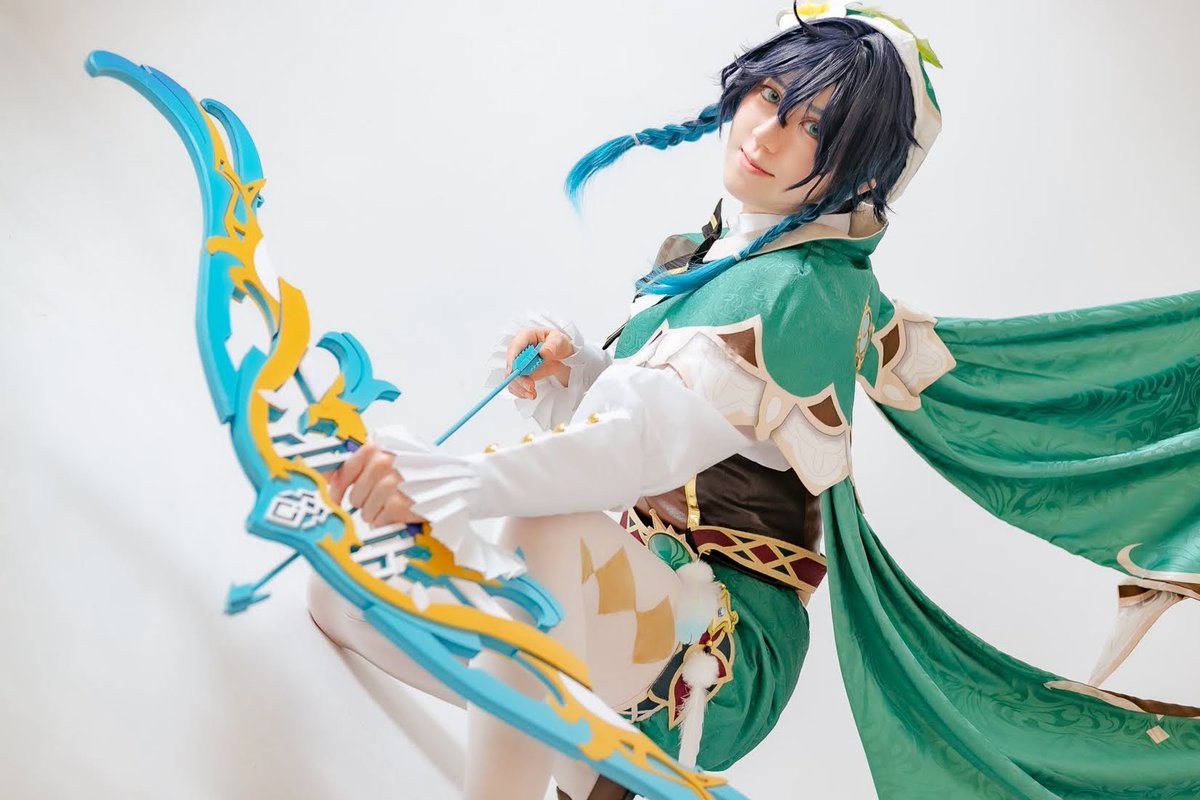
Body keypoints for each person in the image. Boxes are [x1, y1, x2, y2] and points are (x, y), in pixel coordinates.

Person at [308, 4, 1200, 799]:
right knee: (341, 596)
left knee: (538, 528)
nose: (767, 133)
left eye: (813, 127)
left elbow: (638, 445)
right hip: (628, 589)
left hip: (720, 647)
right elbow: (664, 427)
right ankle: (573, 756)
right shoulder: (720, 255)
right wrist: (574, 372)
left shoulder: (806, 290)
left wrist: (460, 480)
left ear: (859, 170)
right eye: (771, 95)